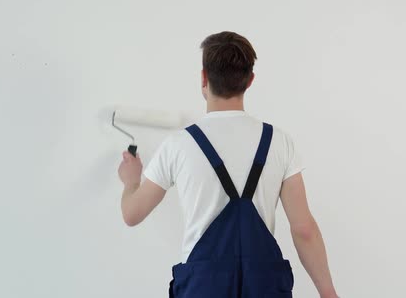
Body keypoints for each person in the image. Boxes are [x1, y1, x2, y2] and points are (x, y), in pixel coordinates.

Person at [118, 31, 339, 298]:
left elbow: (132, 214)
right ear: (250, 81)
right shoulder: (279, 142)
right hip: (265, 287)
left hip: (202, 288)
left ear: (203, 78)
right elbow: (304, 230)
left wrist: (131, 181)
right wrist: (328, 293)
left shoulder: (178, 145)